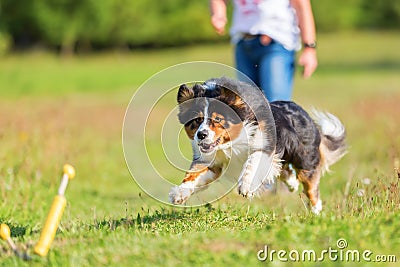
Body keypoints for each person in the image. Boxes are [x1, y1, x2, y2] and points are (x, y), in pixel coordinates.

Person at [210, 0, 318, 101]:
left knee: (275, 105)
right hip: (243, 44)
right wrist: (219, 14)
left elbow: (301, 5)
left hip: (276, 43)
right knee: (247, 106)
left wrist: (309, 48)